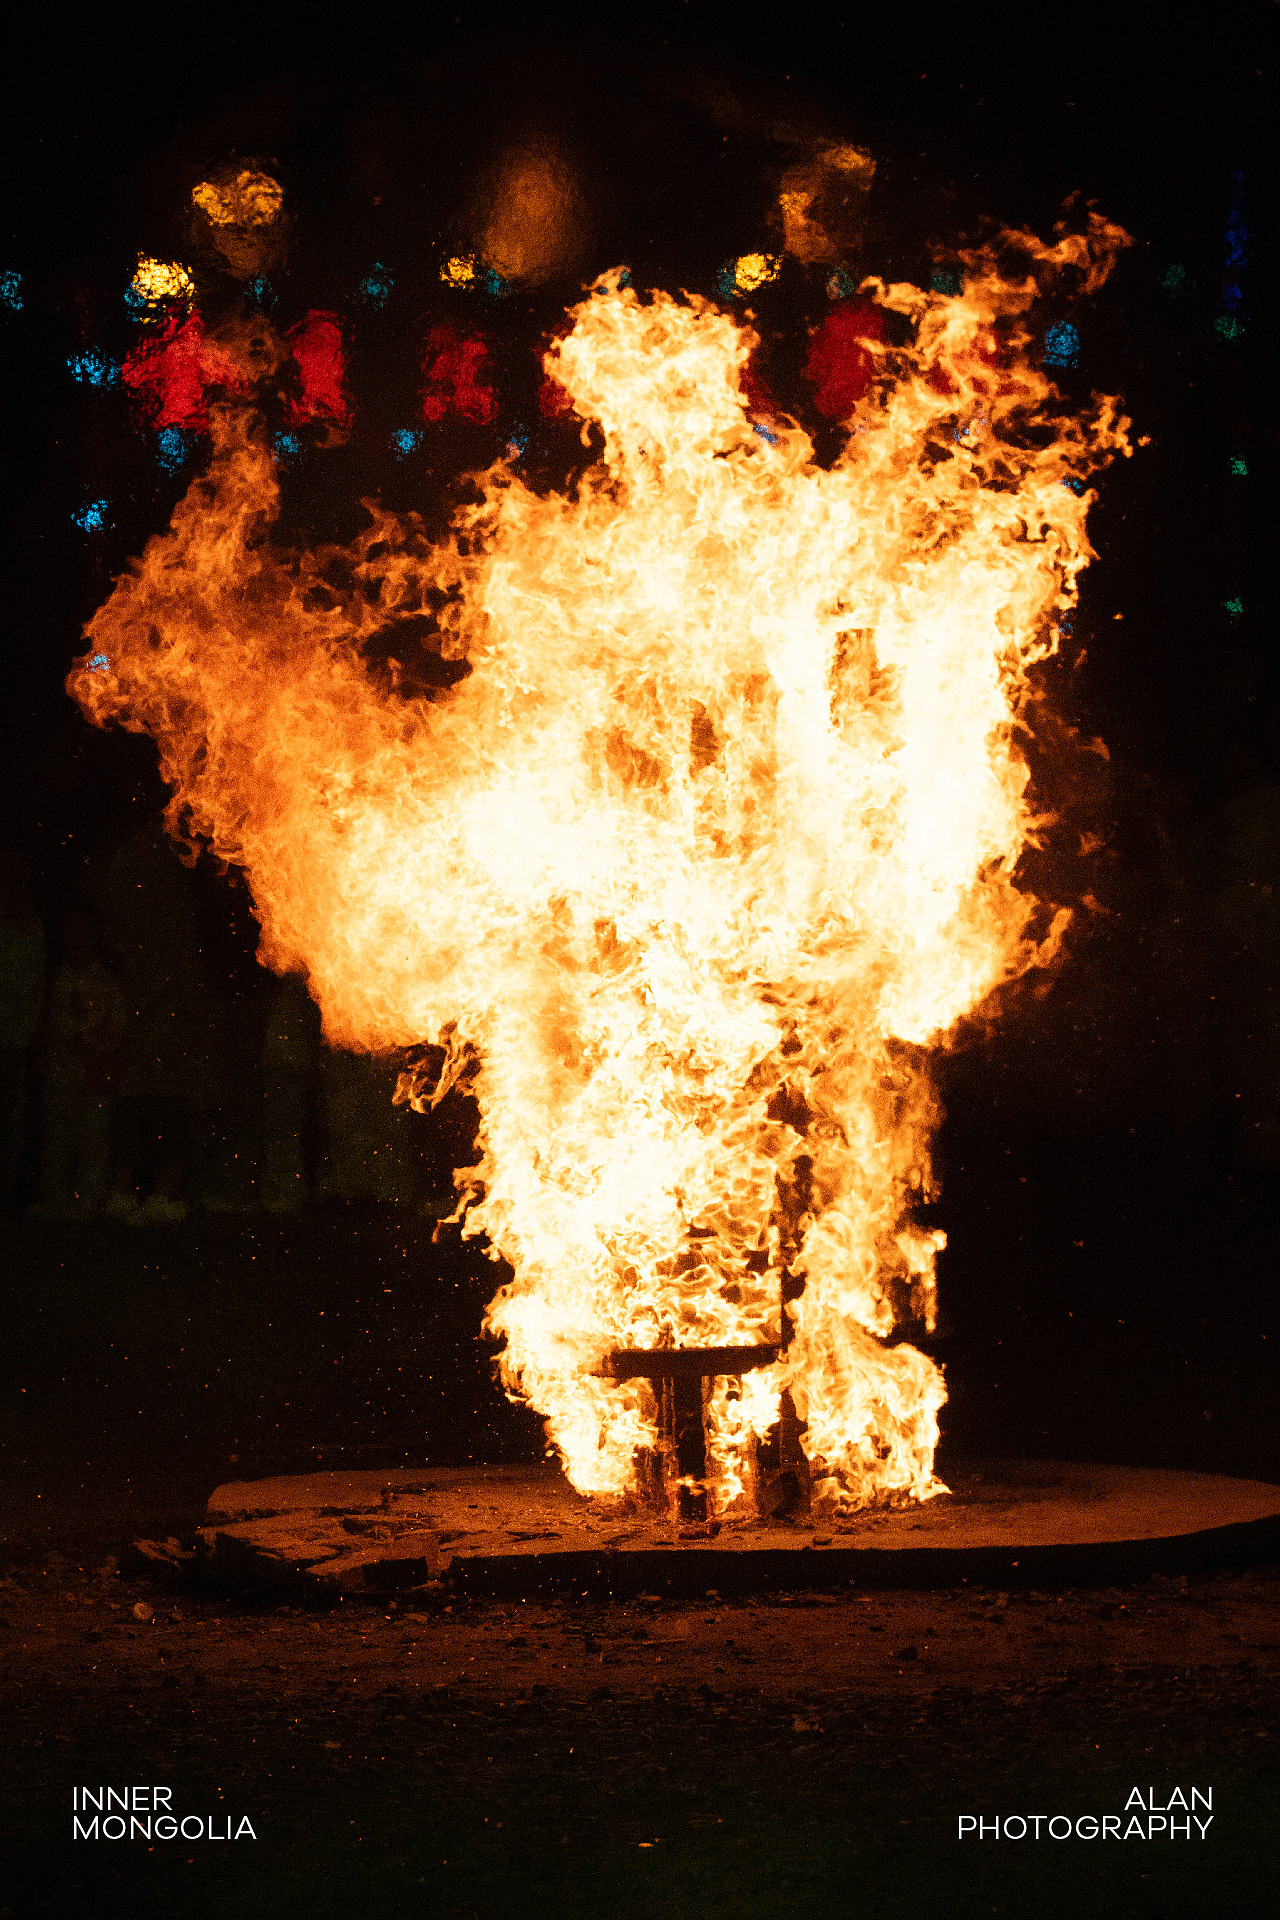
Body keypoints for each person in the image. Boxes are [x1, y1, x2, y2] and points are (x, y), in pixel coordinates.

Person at [29, 908, 125, 1220]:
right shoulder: (60, 978)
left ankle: (89, 1201)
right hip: (62, 1068)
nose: (77, 940)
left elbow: (117, 1024)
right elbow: (52, 1020)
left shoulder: (107, 981)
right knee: (59, 1135)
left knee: (94, 1138)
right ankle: (56, 1200)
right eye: (70, 933)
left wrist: (95, 1044)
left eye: (83, 932)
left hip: (95, 1067)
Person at [0, 850, 47, 1214]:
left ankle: (8, 1197)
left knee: (11, 1118)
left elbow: (32, 989)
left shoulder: (32, 929)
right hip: (13, 1034)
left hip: (15, 1037)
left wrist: (26, 1039)